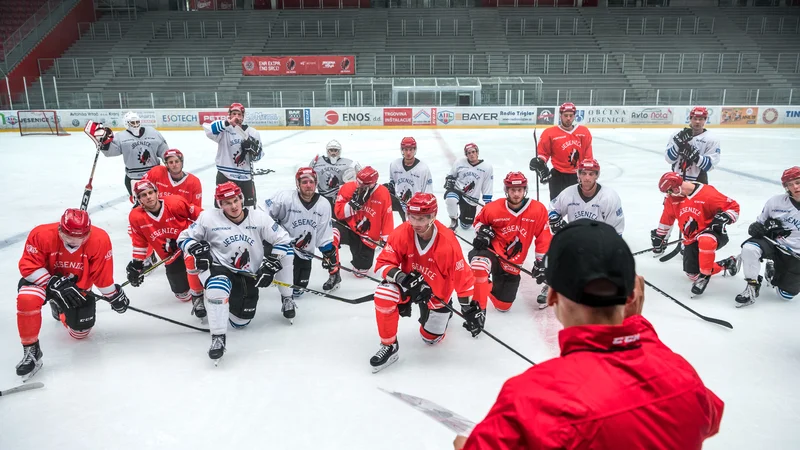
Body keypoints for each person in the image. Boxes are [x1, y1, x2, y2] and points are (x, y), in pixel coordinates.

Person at [454, 220, 724, 450]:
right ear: (632, 294)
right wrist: (637, 327)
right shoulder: (683, 377)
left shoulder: (529, 398)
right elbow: (710, 416)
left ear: (552, 296)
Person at [177, 182, 294, 361]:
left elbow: (284, 240)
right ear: (219, 204)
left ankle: (286, 296)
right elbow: (183, 238)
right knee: (217, 287)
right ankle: (218, 337)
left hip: (247, 273)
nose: (233, 206)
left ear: (242, 199)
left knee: (241, 322)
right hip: (219, 267)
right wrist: (195, 248)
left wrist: (271, 265)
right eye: (227, 202)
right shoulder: (208, 218)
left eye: (235, 200)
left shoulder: (259, 218)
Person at [15, 209, 129, 379]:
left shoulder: (99, 238)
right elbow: (28, 265)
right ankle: (31, 350)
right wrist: (51, 282)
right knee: (27, 297)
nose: (75, 242)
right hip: (44, 282)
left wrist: (113, 296)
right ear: (60, 230)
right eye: (70, 237)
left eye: (81, 237)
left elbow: (101, 274)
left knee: (80, 334)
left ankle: (60, 309)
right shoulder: (41, 234)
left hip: (76, 289)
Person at [370, 193, 477, 373]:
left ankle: (445, 310)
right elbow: (382, 264)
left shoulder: (448, 242)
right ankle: (389, 346)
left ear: (433, 216)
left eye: (422, 218)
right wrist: (402, 278)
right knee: (384, 293)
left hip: (436, 294)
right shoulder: (402, 233)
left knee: (430, 340)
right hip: (408, 287)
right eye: (412, 217)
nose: (416, 223)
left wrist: (469, 309)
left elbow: (463, 279)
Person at [469, 172, 552, 313]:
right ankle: (477, 309)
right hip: (491, 253)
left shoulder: (537, 210)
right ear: (506, 190)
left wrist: (541, 261)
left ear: (525, 190)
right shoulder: (493, 208)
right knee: (479, 265)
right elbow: (478, 222)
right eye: (512, 190)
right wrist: (482, 232)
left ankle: (485, 285)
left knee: (503, 306)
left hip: (512, 264)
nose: (516, 194)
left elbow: (543, 238)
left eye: (519, 190)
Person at [652, 172, 741, 296]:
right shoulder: (671, 200)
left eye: (669, 191)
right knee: (692, 275)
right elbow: (667, 218)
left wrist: (724, 218)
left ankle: (704, 277)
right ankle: (726, 264)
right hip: (691, 238)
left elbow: (733, 207)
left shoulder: (707, 193)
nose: (668, 194)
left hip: (713, 233)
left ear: (677, 188)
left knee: (706, 240)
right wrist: (660, 236)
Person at [127, 180, 205, 319]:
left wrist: (196, 235)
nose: (149, 197)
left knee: (192, 260)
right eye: (143, 195)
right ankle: (195, 286)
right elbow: (139, 241)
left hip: (190, 245)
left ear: (157, 193)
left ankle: (199, 295)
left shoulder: (175, 203)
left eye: (151, 192)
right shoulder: (136, 217)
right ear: (138, 200)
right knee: (182, 295)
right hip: (170, 256)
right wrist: (137, 265)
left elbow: (203, 217)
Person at [265, 167, 339, 296]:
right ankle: (279, 280)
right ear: (297, 184)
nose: (308, 185)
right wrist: (273, 230)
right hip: (285, 249)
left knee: (298, 290)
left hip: (305, 252)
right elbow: (264, 214)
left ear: (316, 183)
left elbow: (323, 232)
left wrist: (328, 252)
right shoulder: (285, 198)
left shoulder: (323, 204)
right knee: (288, 287)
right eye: (304, 182)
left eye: (311, 182)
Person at [735, 166, 800, 307]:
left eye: (798, 182)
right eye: (790, 184)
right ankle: (752, 285)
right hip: (775, 244)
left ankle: (772, 270)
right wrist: (756, 228)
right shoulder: (775, 202)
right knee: (750, 248)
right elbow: (760, 223)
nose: (795, 187)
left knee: (785, 295)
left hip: (796, 254)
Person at [94, 111, 168, 202]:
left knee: (160, 200)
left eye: (137, 122)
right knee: (141, 203)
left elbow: (163, 149)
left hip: (154, 175)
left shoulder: (152, 132)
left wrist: (168, 161)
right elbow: (110, 152)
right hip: (134, 177)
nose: (135, 125)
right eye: (132, 122)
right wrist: (104, 142)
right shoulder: (120, 136)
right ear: (126, 123)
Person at [333, 166, 394, 278]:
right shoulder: (348, 188)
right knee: (332, 235)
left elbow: (387, 217)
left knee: (360, 273)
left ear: (373, 183)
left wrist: (387, 240)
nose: (360, 186)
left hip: (368, 236)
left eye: (364, 184)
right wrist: (351, 205)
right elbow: (338, 214)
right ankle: (333, 268)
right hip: (349, 228)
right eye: (359, 182)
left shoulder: (383, 193)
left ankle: (360, 262)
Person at [529, 102, 593, 200]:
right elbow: (543, 153)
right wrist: (540, 161)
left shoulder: (583, 132)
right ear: (560, 116)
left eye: (571, 116)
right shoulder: (550, 133)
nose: (568, 118)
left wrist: (587, 173)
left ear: (574, 116)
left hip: (577, 175)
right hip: (557, 175)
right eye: (565, 115)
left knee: (578, 208)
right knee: (556, 208)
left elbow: (588, 156)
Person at [203, 103, 263, 208]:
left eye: (239, 114)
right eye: (234, 114)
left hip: (245, 177)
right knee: (221, 208)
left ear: (243, 116)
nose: (236, 117)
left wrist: (254, 151)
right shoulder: (224, 129)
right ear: (229, 115)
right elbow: (209, 130)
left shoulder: (253, 133)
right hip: (225, 175)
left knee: (248, 209)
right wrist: (227, 123)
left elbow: (258, 156)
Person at [548, 158, 624, 235]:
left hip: (600, 241)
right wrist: (554, 219)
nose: (587, 178)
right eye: (584, 173)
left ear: (596, 176)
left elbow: (616, 228)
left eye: (591, 174)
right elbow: (553, 208)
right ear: (579, 175)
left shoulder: (609, 197)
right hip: (575, 238)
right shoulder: (568, 193)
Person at [444, 143, 493, 230]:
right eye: (468, 153)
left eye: (473, 152)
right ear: (466, 155)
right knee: (451, 199)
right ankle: (454, 219)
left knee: (465, 226)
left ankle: (463, 219)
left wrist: (487, 201)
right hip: (457, 190)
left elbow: (487, 184)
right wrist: (449, 180)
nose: (471, 154)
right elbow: (451, 175)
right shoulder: (460, 162)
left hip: (471, 197)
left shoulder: (486, 167)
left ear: (477, 152)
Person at [666, 106, 721, 184]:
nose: (697, 121)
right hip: (676, 179)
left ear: (705, 120)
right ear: (690, 119)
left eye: (701, 119)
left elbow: (710, 166)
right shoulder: (677, 135)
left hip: (699, 181)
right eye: (695, 118)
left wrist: (696, 157)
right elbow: (669, 159)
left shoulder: (711, 139)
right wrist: (677, 145)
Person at [384, 137, 433, 222]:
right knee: (378, 199)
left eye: (411, 149)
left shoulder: (423, 169)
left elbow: (428, 192)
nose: (408, 153)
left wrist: (424, 206)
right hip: (399, 201)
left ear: (415, 150)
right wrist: (391, 185)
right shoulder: (395, 164)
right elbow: (393, 180)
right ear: (402, 150)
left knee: (410, 226)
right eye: (405, 149)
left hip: (416, 204)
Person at [310, 140, 360, 208]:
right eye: (331, 150)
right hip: (322, 197)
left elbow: (360, 178)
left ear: (339, 151)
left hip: (340, 198)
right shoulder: (317, 162)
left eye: (335, 150)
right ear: (327, 151)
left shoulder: (349, 163)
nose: (333, 153)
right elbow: (309, 176)